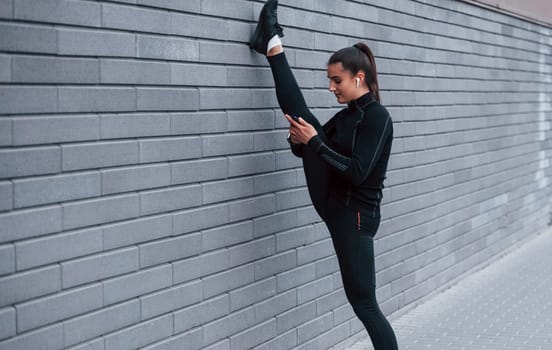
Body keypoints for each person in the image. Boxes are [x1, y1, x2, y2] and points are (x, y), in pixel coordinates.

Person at [249, 1, 398, 349]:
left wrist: (313, 142)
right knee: (305, 120)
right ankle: (271, 44)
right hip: (335, 202)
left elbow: (358, 173)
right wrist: (300, 140)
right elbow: (307, 148)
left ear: (358, 78)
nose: (331, 87)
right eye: (330, 80)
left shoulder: (377, 117)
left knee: (364, 303)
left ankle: (271, 44)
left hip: (355, 216)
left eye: (337, 80)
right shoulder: (347, 116)